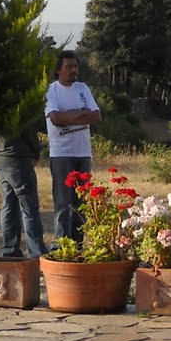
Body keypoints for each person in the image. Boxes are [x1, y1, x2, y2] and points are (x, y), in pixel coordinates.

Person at [45, 49, 101, 241]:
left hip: (83, 153)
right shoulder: (51, 91)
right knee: (63, 203)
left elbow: (96, 116)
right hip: (61, 154)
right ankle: (62, 245)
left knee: (81, 203)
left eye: (76, 66)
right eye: (69, 66)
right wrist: (81, 113)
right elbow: (56, 118)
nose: (73, 70)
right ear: (58, 70)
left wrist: (69, 117)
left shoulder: (82, 88)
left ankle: (77, 246)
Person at [0, 122, 47, 259]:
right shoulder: (20, 112)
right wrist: (36, 152)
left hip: (1, 156)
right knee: (29, 208)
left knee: (8, 205)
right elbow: (28, 130)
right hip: (19, 158)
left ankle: (9, 249)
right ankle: (36, 251)